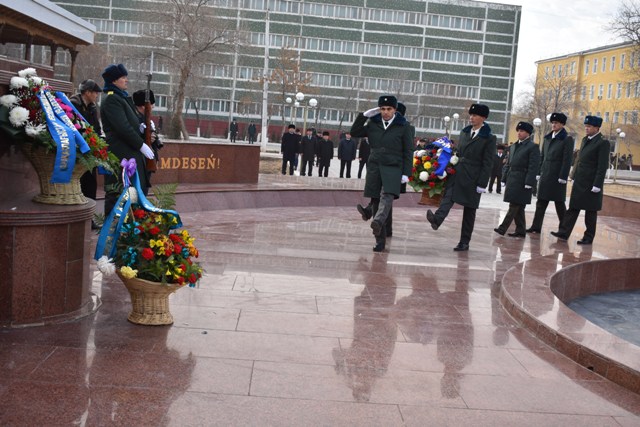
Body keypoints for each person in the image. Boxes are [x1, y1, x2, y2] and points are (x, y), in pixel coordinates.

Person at [425, 103, 496, 251]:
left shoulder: (489, 138)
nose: (471, 118)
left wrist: (482, 183)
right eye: (470, 115)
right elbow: (458, 151)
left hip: (474, 177)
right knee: (448, 196)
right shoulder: (464, 133)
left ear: (483, 117)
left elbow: (488, 162)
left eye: (475, 115)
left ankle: (464, 242)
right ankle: (437, 219)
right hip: (458, 172)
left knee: (469, 210)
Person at [351, 95, 413, 252]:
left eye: (389, 109)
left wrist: (406, 173)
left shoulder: (404, 126)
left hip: (393, 167)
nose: (385, 112)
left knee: (387, 196)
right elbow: (355, 132)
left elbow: (408, 151)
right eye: (383, 109)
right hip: (375, 166)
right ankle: (380, 241)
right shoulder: (373, 123)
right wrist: (363, 116)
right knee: (376, 200)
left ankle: (377, 220)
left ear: (395, 110)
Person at [100, 63, 155, 217]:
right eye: (122, 77)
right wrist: (141, 145)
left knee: (132, 192)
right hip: (120, 153)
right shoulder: (112, 99)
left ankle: (129, 228)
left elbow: (131, 122)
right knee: (118, 191)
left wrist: (142, 127)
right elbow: (122, 128)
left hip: (129, 152)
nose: (126, 80)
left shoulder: (122, 98)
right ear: (114, 81)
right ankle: (112, 229)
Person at [551, 115, 610, 244]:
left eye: (589, 126)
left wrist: (597, 184)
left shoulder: (602, 143)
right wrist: (573, 175)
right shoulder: (585, 140)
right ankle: (564, 233)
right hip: (580, 181)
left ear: (597, 127)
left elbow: (602, 166)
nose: (586, 128)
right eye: (586, 126)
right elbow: (579, 160)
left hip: (591, 183)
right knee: (573, 208)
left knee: (590, 212)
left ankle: (588, 237)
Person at [527, 112, 574, 234]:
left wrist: (563, 176)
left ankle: (564, 230)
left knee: (559, 204)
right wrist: (538, 171)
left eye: (556, 123)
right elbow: (542, 156)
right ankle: (536, 227)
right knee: (541, 202)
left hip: (557, 176)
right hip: (546, 174)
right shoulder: (547, 138)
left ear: (562, 124)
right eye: (552, 123)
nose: (553, 125)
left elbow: (567, 159)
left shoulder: (567, 139)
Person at [493, 121, 540, 237]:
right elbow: (508, 164)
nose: (519, 133)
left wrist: (530, 182)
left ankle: (502, 228)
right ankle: (520, 230)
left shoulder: (532, 147)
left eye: (522, 131)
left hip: (523, 179)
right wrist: (504, 178)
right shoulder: (513, 146)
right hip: (512, 178)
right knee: (519, 207)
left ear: (528, 133)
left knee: (514, 205)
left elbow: (533, 166)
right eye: (518, 131)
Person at [70, 79, 103, 218]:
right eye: (95, 92)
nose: (97, 95)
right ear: (87, 92)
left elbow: (96, 128)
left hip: (90, 152)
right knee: (79, 184)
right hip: (77, 151)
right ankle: (78, 215)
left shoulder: (92, 107)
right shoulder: (73, 104)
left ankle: (90, 216)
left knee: (90, 185)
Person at [132, 89, 164, 187]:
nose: (151, 109)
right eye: (151, 107)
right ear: (143, 106)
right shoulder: (135, 118)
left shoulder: (146, 118)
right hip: (139, 161)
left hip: (147, 160)